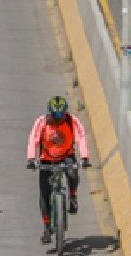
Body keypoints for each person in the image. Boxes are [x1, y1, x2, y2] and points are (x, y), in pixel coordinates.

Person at [26, 96, 91, 245]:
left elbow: (81, 137)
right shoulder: (41, 122)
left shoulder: (71, 121)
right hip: (47, 159)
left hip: (66, 155)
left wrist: (85, 157)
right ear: (49, 113)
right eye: (55, 115)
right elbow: (33, 139)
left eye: (61, 115)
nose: (58, 119)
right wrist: (31, 159)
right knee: (44, 193)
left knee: (72, 174)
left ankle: (72, 197)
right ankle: (47, 228)